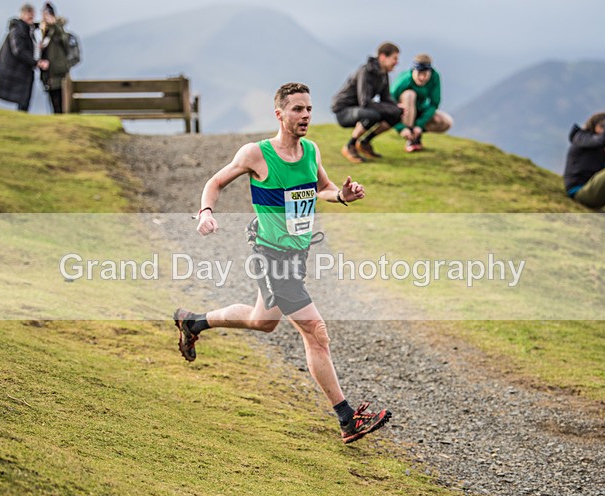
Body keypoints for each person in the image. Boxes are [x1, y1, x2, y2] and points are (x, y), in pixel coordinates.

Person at [174, 82, 392, 445]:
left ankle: (193, 321)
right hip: (271, 257)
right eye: (297, 109)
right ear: (280, 114)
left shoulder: (311, 150)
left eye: (308, 109)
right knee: (316, 334)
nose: (305, 115)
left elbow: (321, 187)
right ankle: (347, 418)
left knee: (263, 321)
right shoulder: (256, 154)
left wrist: (341, 195)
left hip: (297, 255)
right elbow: (215, 182)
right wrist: (205, 212)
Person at [331, 42, 403, 163]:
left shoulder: (384, 75)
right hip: (343, 110)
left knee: (396, 115)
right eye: (394, 58)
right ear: (383, 57)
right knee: (372, 115)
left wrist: (397, 108)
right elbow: (365, 102)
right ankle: (350, 146)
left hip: (360, 109)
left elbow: (386, 98)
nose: (397, 62)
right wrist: (391, 108)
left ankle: (365, 143)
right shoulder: (365, 71)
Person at [0, 4, 49, 113]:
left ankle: (22, 116)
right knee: (22, 100)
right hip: (19, 71)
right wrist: (36, 62)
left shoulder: (28, 30)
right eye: (29, 15)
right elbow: (19, 50)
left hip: (25, 71)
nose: (31, 18)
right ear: (22, 15)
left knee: (24, 101)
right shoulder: (18, 30)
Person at [390, 53, 453, 152]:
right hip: (402, 113)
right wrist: (400, 127)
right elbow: (388, 105)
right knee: (409, 95)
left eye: (425, 74)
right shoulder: (404, 80)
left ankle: (416, 135)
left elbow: (434, 103)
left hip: (420, 110)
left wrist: (420, 125)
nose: (422, 78)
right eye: (419, 73)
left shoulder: (435, 77)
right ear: (413, 71)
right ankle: (410, 138)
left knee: (447, 122)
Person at [39, 2, 70, 113]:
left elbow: (65, 44)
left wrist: (54, 25)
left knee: (60, 105)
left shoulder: (58, 31)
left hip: (58, 74)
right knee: (54, 104)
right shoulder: (43, 33)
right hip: (48, 75)